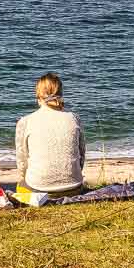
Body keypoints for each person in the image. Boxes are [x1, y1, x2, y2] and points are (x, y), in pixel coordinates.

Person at [14, 72, 86, 205]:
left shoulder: (25, 121)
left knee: (21, 185)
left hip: (39, 189)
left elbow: (22, 163)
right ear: (61, 93)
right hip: (74, 187)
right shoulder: (74, 118)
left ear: (38, 96)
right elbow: (82, 155)